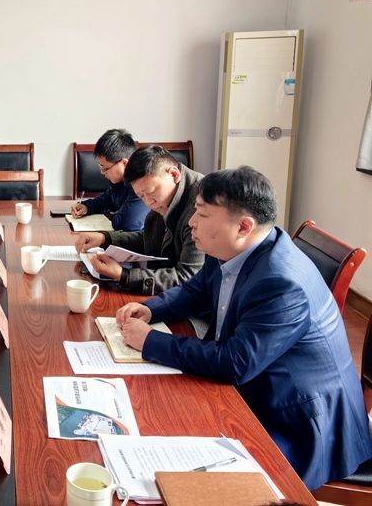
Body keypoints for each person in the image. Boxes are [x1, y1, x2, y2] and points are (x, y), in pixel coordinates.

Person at [115, 167, 372, 489]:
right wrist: (151, 308)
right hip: (257, 390)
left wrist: (151, 341)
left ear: (244, 226)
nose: (191, 222)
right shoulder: (230, 247)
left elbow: (235, 363)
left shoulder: (282, 283)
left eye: (202, 214)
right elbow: (195, 291)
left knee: (190, 479)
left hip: (301, 426)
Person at [75, 145, 205, 296]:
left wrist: (124, 276)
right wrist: (105, 238)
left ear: (174, 174)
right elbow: (150, 239)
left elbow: (188, 278)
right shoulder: (165, 196)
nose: (148, 203)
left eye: (151, 192)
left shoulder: (200, 207)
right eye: (141, 196)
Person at [70, 129, 149, 231]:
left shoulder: (141, 184)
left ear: (124, 163)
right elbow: (109, 199)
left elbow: (126, 224)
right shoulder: (122, 181)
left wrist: (113, 215)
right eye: (101, 167)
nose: (102, 172)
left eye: (106, 168)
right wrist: (87, 206)